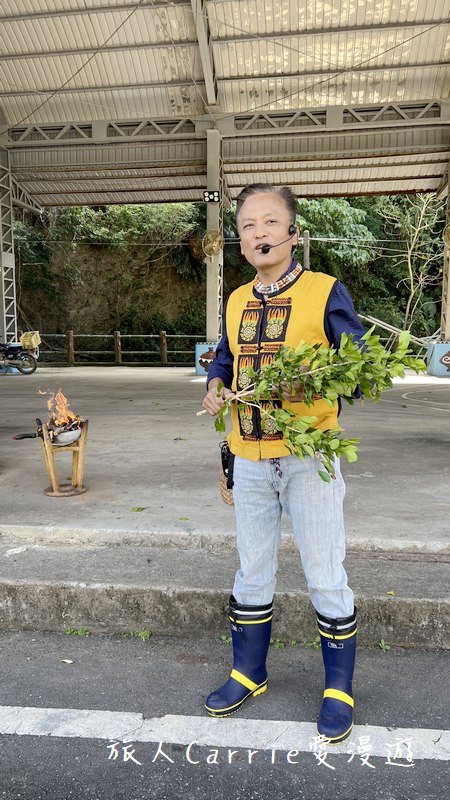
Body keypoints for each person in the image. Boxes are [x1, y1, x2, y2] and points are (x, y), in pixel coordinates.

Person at [202, 183, 365, 744]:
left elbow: (360, 367)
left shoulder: (325, 291)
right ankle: (249, 671)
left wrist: (310, 381)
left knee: (324, 573)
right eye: (248, 225)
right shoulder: (236, 300)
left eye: (271, 222)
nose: (259, 233)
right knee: (252, 570)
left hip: (310, 457)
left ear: (293, 233)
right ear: (241, 241)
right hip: (249, 457)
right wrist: (217, 385)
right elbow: (225, 356)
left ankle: (338, 687)